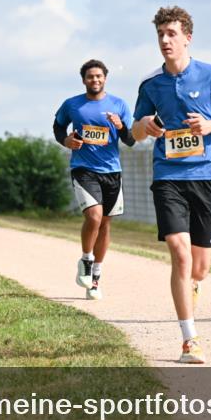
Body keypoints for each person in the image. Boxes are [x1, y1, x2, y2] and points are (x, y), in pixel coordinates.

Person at [131, 5, 211, 364]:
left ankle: (193, 286)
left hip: (207, 177)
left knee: (199, 268)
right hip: (168, 177)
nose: (165, 41)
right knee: (179, 254)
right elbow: (133, 134)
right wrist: (146, 124)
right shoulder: (151, 85)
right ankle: (189, 340)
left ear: (187, 38)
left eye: (171, 34)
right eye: (160, 35)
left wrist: (210, 126)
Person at [53, 58, 134, 300]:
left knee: (105, 224)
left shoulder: (119, 104)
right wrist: (66, 141)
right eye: (90, 77)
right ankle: (86, 259)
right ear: (84, 80)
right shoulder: (72, 105)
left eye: (99, 76)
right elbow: (58, 128)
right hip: (83, 168)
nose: (95, 80)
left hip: (111, 171)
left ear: (105, 78)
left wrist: (120, 127)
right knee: (94, 216)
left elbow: (130, 139)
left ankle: (96, 278)